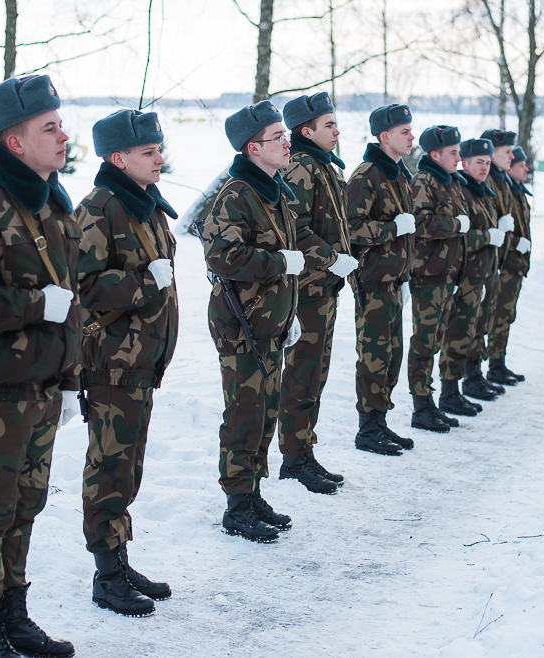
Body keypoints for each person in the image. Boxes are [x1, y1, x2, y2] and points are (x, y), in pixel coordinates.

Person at [0, 75, 79, 657]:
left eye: (60, 124)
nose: (63, 137)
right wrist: (33, 306)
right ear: (15, 143)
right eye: (49, 128)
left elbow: (71, 294)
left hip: (43, 386)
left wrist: (71, 374)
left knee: (27, 504)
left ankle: (14, 614)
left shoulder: (54, 200)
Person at [75, 109, 178, 617]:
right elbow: (85, 287)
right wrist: (146, 283)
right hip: (112, 363)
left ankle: (118, 559)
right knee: (109, 469)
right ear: (119, 159)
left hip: (139, 362)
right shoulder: (101, 207)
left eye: (158, 149)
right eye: (148, 152)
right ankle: (106, 576)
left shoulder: (145, 205)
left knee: (127, 467)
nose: (160, 158)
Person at [201, 101, 303, 542]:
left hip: (270, 324)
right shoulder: (237, 193)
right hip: (241, 325)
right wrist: (278, 261)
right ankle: (237, 503)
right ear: (252, 147)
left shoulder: (272, 190)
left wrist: (289, 313)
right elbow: (221, 256)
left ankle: (254, 490)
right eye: (277, 137)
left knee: (266, 412)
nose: (287, 142)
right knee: (245, 414)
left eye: (285, 134)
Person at [277, 92, 359, 493]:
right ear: (306, 130)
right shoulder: (301, 166)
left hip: (324, 287)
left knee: (315, 373)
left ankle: (304, 450)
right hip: (308, 288)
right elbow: (295, 225)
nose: (337, 131)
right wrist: (330, 259)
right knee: (302, 374)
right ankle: (294, 457)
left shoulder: (324, 166)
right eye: (329, 125)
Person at [344, 104, 417, 455]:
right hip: (371, 283)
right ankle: (367, 428)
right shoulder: (367, 175)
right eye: (405, 131)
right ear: (385, 136)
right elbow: (351, 229)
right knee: (373, 355)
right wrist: (392, 228)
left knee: (393, 354)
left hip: (393, 281)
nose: (411, 137)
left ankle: (380, 422)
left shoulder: (398, 174)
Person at [407, 125, 469, 433]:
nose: (459, 158)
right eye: (454, 153)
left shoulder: (449, 181)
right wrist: (457, 224)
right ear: (435, 154)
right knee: (424, 342)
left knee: (437, 339)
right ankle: (421, 406)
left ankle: (432, 402)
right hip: (428, 275)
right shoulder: (424, 181)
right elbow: (420, 223)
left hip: (445, 274)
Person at [437, 138, 503, 417]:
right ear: (465, 163)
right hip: (464, 274)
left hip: (481, 274)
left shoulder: (483, 191)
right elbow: (461, 234)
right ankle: (450, 392)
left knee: (477, 329)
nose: (485, 167)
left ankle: (473, 377)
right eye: (479, 162)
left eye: (488, 163)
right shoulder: (463, 190)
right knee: (458, 332)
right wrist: (488, 236)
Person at [464, 129, 518, 397]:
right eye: (506, 151)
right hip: (478, 264)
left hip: (494, 262)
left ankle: (486, 370)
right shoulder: (485, 180)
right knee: (475, 322)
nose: (512, 155)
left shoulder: (499, 179)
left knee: (488, 318)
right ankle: (473, 376)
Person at [488, 146, 533, 383]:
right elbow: (495, 225)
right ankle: (493, 365)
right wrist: (516, 243)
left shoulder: (517, 191)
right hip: (505, 263)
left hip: (516, 264)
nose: (526, 169)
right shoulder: (503, 189)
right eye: (521, 165)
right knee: (499, 315)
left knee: (507, 315)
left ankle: (499, 362)